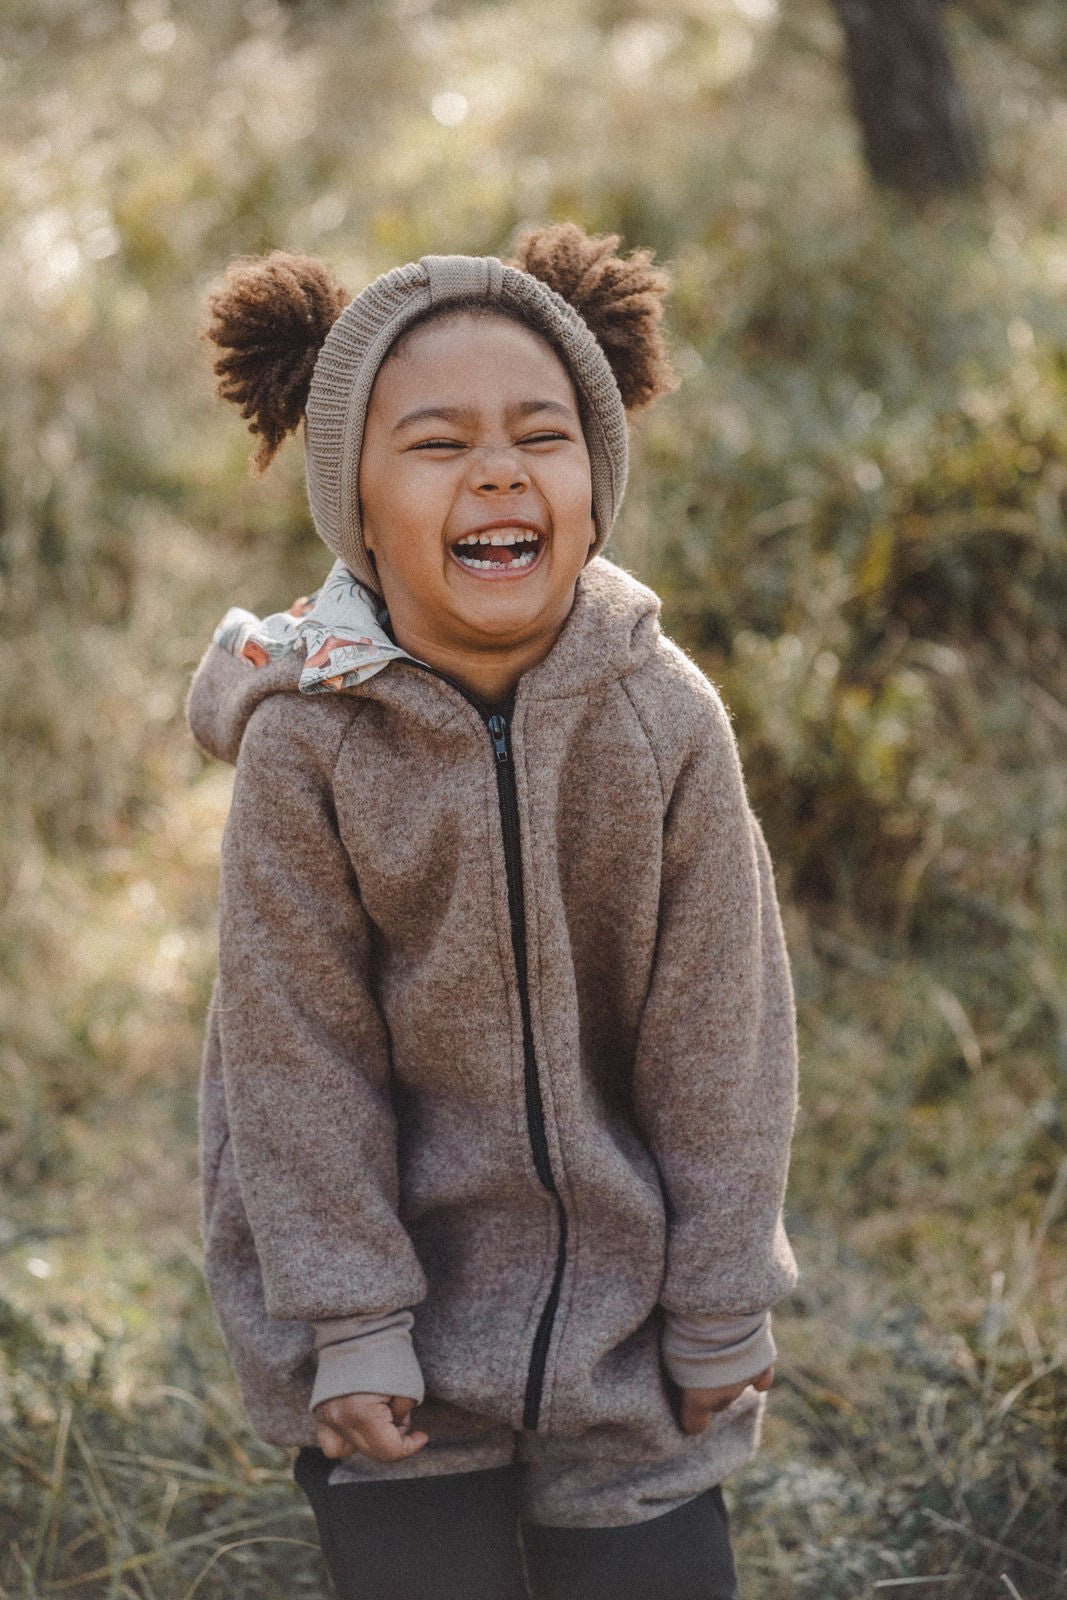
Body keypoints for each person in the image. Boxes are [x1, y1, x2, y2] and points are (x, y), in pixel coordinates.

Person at [186, 223, 798, 1600]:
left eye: (541, 434)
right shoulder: (312, 748)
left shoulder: (661, 723)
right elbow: (292, 1055)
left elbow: (723, 1038)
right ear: (351, 498)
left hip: (630, 1331)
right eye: (437, 442)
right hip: (384, 1349)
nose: (499, 470)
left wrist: (717, 1298)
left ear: (596, 483)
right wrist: (350, 1320)